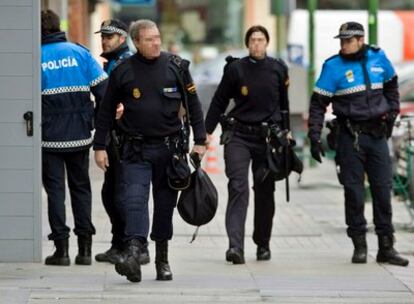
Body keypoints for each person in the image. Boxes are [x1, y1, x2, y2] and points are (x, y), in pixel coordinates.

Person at [94, 19, 206, 282]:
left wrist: (200, 140)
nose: (156, 42)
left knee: (164, 207)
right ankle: (133, 253)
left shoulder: (176, 67)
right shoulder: (122, 71)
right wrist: (99, 147)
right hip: (135, 150)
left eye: (158, 37)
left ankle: (162, 259)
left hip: (169, 151)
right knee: (134, 201)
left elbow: (193, 105)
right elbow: (106, 112)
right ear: (136, 42)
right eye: (150, 39)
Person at [308, 21, 409, 267]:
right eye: (341, 41)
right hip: (349, 137)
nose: (343, 45)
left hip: (376, 137)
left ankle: (386, 247)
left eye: (348, 40)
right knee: (353, 193)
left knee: (382, 192)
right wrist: (314, 136)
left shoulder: (378, 57)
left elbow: (392, 87)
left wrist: (391, 117)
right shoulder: (333, 66)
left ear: (360, 40)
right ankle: (359, 245)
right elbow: (318, 104)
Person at [204, 25, 291, 264]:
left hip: (267, 139)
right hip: (239, 137)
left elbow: (284, 106)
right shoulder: (235, 69)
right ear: (247, 43)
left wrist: (287, 133)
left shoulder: (278, 69)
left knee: (264, 192)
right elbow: (219, 101)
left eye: (261, 39)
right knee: (238, 187)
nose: (257, 44)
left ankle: (263, 243)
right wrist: (205, 134)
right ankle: (235, 246)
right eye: (252, 40)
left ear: (267, 42)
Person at [41, 10, 108, 266]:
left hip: (49, 138)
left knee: (55, 192)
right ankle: (85, 250)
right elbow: (104, 91)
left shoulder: (36, 57)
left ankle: (62, 250)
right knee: (81, 189)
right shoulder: (79, 53)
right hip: (80, 135)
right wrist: (96, 123)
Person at [93, 19, 151, 265]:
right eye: (103, 36)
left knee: (123, 196)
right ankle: (120, 244)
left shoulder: (126, 64)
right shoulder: (113, 64)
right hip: (114, 139)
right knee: (111, 193)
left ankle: (134, 246)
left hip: (126, 140)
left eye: (109, 36)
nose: (104, 40)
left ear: (122, 38)